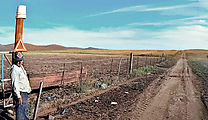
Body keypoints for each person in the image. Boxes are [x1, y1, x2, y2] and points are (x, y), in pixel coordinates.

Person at [10, 52, 31, 120]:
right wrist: (19, 96)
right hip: (20, 92)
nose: (19, 62)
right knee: (20, 109)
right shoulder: (14, 69)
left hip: (24, 91)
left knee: (23, 108)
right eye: (18, 60)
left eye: (21, 60)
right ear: (15, 60)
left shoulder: (21, 67)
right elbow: (15, 84)